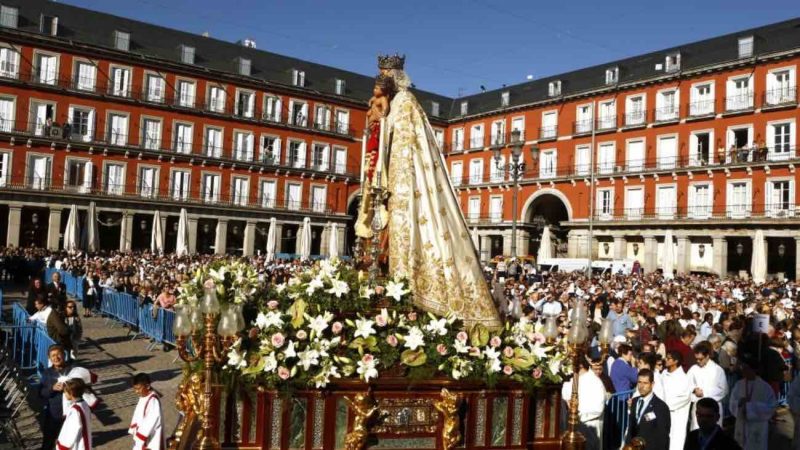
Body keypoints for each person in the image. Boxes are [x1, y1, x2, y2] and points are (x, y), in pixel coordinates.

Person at [379, 54, 502, 329]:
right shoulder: (390, 104)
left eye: (386, 76)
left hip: (405, 177)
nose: (381, 81)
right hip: (391, 177)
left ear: (396, 78)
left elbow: (408, 144)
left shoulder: (407, 102)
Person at [729, 359, 776, 450]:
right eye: (742, 368)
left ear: (754, 369)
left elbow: (771, 407)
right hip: (742, 423)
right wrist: (739, 403)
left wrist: (751, 407)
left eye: (746, 368)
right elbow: (732, 402)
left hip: (758, 426)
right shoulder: (739, 385)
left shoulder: (765, 387)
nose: (743, 371)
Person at [561, 358, 607, 450]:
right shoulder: (571, 380)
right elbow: (565, 396)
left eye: (569, 364)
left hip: (589, 429)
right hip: (572, 429)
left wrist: (577, 416)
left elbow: (598, 409)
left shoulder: (595, 382)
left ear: (580, 365)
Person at [626, 369, 671, 450]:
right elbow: (631, 430)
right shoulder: (634, 402)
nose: (641, 386)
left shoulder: (661, 407)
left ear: (652, 384)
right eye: (639, 382)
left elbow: (663, 437)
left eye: (645, 383)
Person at [687, 342, 728, 430]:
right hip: (698, 406)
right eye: (696, 359)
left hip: (713, 406)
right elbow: (687, 384)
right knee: (697, 431)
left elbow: (723, 389)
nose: (698, 361)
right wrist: (694, 389)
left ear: (707, 356)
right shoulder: (693, 369)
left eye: (700, 359)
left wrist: (704, 393)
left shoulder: (717, 370)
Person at [39, 345, 73, 450]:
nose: (56, 358)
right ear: (49, 358)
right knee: (48, 442)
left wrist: (70, 388)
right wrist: (52, 388)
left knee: (68, 443)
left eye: (58, 354)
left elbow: (82, 388)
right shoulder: (47, 373)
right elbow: (41, 393)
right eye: (53, 356)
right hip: (54, 413)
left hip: (70, 412)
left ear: (64, 355)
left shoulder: (72, 370)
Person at [657, 351, 692, 450]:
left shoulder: (683, 378)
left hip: (676, 415)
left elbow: (685, 397)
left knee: (675, 440)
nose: (665, 360)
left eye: (668, 358)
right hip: (662, 413)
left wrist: (666, 405)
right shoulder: (664, 374)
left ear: (676, 361)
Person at [129, 373, 164, 450]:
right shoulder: (143, 397)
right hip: (142, 435)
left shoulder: (153, 400)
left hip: (150, 437)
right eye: (135, 389)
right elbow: (137, 414)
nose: (136, 391)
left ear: (148, 386)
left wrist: (140, 436)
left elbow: (151, 420)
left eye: (139, 388)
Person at [56, 378, 92, 450]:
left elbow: (71, 430)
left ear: (71, 393)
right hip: (85, 442)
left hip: (78, 445)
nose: (64, 394)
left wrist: (63, 446)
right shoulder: (84, 404)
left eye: (65, 392)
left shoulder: (75, 410)